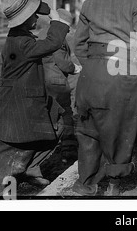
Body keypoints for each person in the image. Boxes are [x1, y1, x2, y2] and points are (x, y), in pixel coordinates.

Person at [73, 0, 137, 196]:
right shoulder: (135, 4)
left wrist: (94, 66)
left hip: (91, 74)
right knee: (121, 127)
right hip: (121, 70)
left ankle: (85, 184)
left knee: (89, 130)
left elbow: (79, 44)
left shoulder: (88, 5)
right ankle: (114, 186)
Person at [0, 0, 72, 196]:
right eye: (33, 15)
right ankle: (1, 197)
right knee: (9, 157)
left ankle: (27, 168)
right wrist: (56, 19)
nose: (37, 18)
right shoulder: (22, 43)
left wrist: (42, 9)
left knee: (57, 124)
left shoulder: (19, 38)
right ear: (24, 19)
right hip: (18, 107)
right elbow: (53, 43)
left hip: (24, 101)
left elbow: (38, 18)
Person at [38, 9, 82, 164]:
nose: (68, 30)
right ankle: (68, 150)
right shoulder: (57, 36)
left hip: (41, 81)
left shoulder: (41, 33)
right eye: (67, 26)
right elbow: (63, 62)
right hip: (56, 82)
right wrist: (76, 68)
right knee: (66, 114)